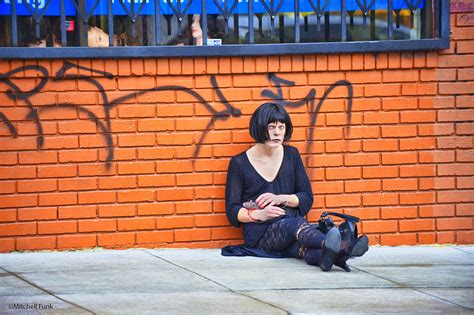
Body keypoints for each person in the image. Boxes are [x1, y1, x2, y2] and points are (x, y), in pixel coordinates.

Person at [223, 102, 369, 271]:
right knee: (297, 226)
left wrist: (281, 198)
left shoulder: (292, 155)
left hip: (292, 226)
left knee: (301, 247)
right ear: (259, 127)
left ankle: (328, 257)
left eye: (281, 127)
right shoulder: (239, 163)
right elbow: (232, 211)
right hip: (261, 233)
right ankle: (342, 247)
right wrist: (259, 214)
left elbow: (306, 197)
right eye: (271, 127)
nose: (277, 132)